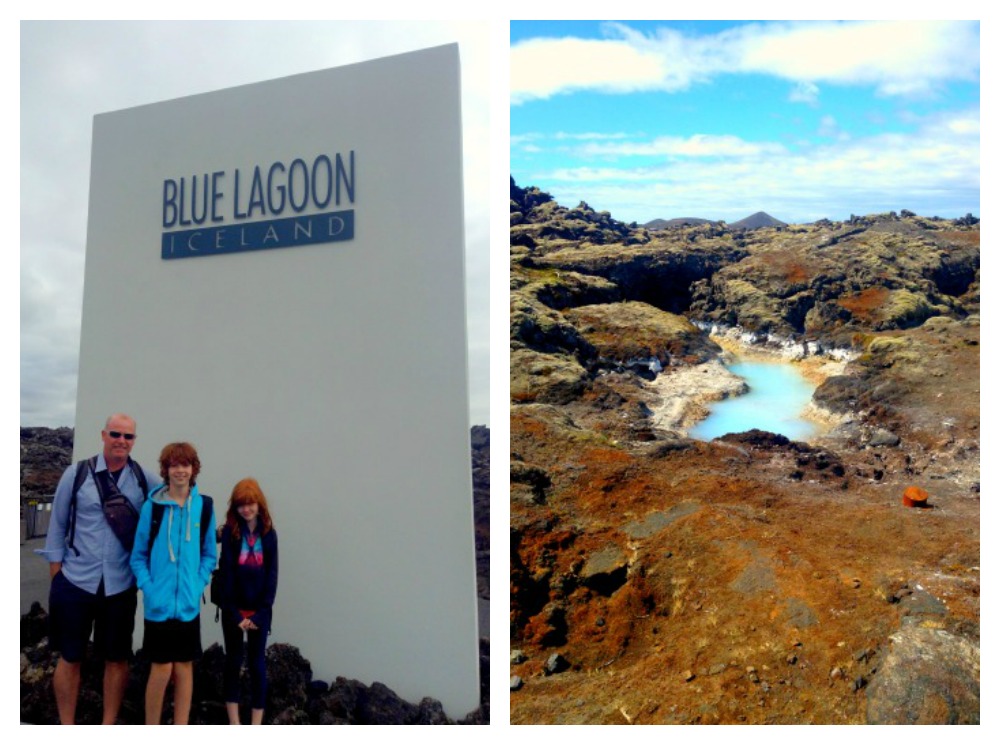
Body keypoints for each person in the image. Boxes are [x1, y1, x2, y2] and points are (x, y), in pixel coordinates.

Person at [36, 413, 161, 724]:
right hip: (75, 582)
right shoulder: (76, 474)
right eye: (115, 434)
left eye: (128, 437)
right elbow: (58, 526)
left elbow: (178, 498)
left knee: (117, 659)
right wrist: (57, 576)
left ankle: (107, 728)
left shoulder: (145, 480)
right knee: (70, 657)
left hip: (120, 585)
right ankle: (68, 726)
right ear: (103, 435)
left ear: (134, 441)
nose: (121, 441)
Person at [130, 442, 216, 725]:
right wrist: (150, 589)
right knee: (161, 669)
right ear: (166, 470)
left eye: (186, 465)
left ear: (194, 469)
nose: (180, 470)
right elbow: (138, 556)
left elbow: (208, 555)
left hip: (188, 605)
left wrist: (198, 584)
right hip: (159, 605)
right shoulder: (152, 508)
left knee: (184, 668)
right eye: (174, 465)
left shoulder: (203, 507)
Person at [219, 478, 279, 725]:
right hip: (233, 610)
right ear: (235, 507)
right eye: (241, 505)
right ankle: (234, 723)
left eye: (250, 503)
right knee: (232, 662)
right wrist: (234, 614)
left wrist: (261, 614)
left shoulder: (269, 535)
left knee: (257, 665)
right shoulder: (231, 534)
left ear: (259, 504)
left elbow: (272, 575)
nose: (246, 509)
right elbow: (226, 575)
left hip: (259, 611)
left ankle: (256, 724)